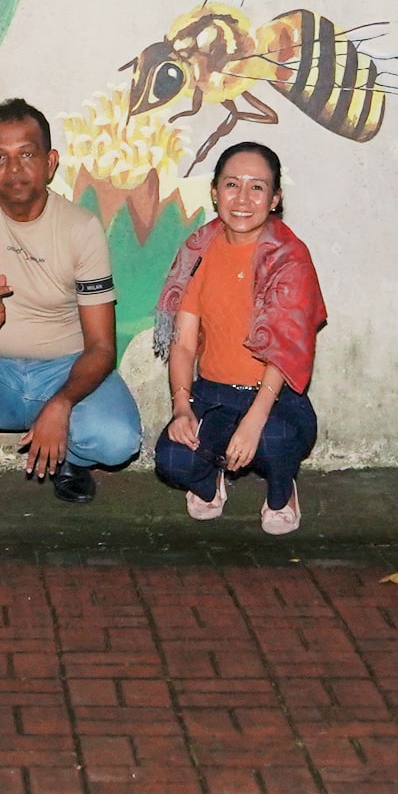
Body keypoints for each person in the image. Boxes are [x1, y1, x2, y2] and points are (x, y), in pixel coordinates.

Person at [0, 100, 142, 505]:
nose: (13, 169)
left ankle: (69, 458)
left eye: (27, 155)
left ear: (50, 162)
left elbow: (103, 348)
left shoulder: (81, 227)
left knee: (118, 440)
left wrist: (62, 404)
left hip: (62, 372)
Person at [153, 140, 328, 533]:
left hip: (276, 399)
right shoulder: (199, 249)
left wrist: (253, 420)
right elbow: (182, 341)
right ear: (215, 193)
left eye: (257, 187)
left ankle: (281, 490)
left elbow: (284, 352)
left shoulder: (290, 258)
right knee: (172, 460)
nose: (243, 198)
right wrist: (182, 406)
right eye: (232, 185)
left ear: (275, 197)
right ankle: (209, 478)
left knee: (272, 440)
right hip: (212, 394)